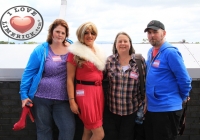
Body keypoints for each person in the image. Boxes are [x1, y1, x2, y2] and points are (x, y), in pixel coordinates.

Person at [16, 19, 75, 140]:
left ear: (66, 35)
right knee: (44, 130)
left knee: (68, 129)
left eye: (63, 33)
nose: (60, 35)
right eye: (57, 31)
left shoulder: (72, 49)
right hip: (41, 98)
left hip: (64, 99)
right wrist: (23, 95)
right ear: (51, 32)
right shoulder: (41, 50)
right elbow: (28, 72)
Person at [144, 20, 192, 140]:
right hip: (153, 107)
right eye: (149, 32)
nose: (151, 35)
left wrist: (182, 97)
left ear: (164, 33)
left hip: (167, 109)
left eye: (155, 32)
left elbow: (184, 79)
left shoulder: (171, 52)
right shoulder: (151, 52)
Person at [67, 22, 107, 140]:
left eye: (92, 33)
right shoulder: (75, 52)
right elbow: (69, 79)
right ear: (81, 34)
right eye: (86, 33)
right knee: (99, 134)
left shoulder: (97, 51)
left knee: (88, 130)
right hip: (84, 94)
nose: (90, 36)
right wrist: (72, 101)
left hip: (98, 93)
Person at [103, 32, 147, 140]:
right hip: (112, 110)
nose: (123, 43)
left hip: (131, 111)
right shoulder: (109, 61)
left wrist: (146, 101)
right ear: (115, 44)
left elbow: (146, 83)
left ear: (130, 44)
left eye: (125, 41)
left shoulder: (139, 61)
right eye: (120, 41)